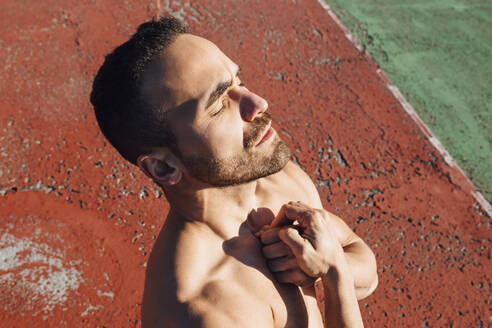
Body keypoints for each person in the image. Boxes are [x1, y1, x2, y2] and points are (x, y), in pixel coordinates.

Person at [90, 16, 377, 327]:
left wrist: (327, 266)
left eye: (239, 82)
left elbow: (361, 262)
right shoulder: (205, 308)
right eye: (218, 105)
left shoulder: (273, 177)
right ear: (163, 166)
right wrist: (333, 272)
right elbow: (341, 267)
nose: (258, 103)